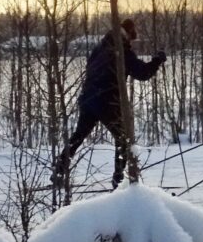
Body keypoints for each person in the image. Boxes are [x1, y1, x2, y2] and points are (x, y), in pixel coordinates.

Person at [53, 18, 165, 186]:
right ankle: (118, 179)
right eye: (133, 36)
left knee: (78, 136)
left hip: (88, 98)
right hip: (108, 102)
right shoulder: (122, 51)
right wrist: (157, 60)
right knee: (123, 139)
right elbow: (142, 73)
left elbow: (91, 68)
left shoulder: (100, 47)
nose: (133, 41)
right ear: (128, 34)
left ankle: (59, 171)